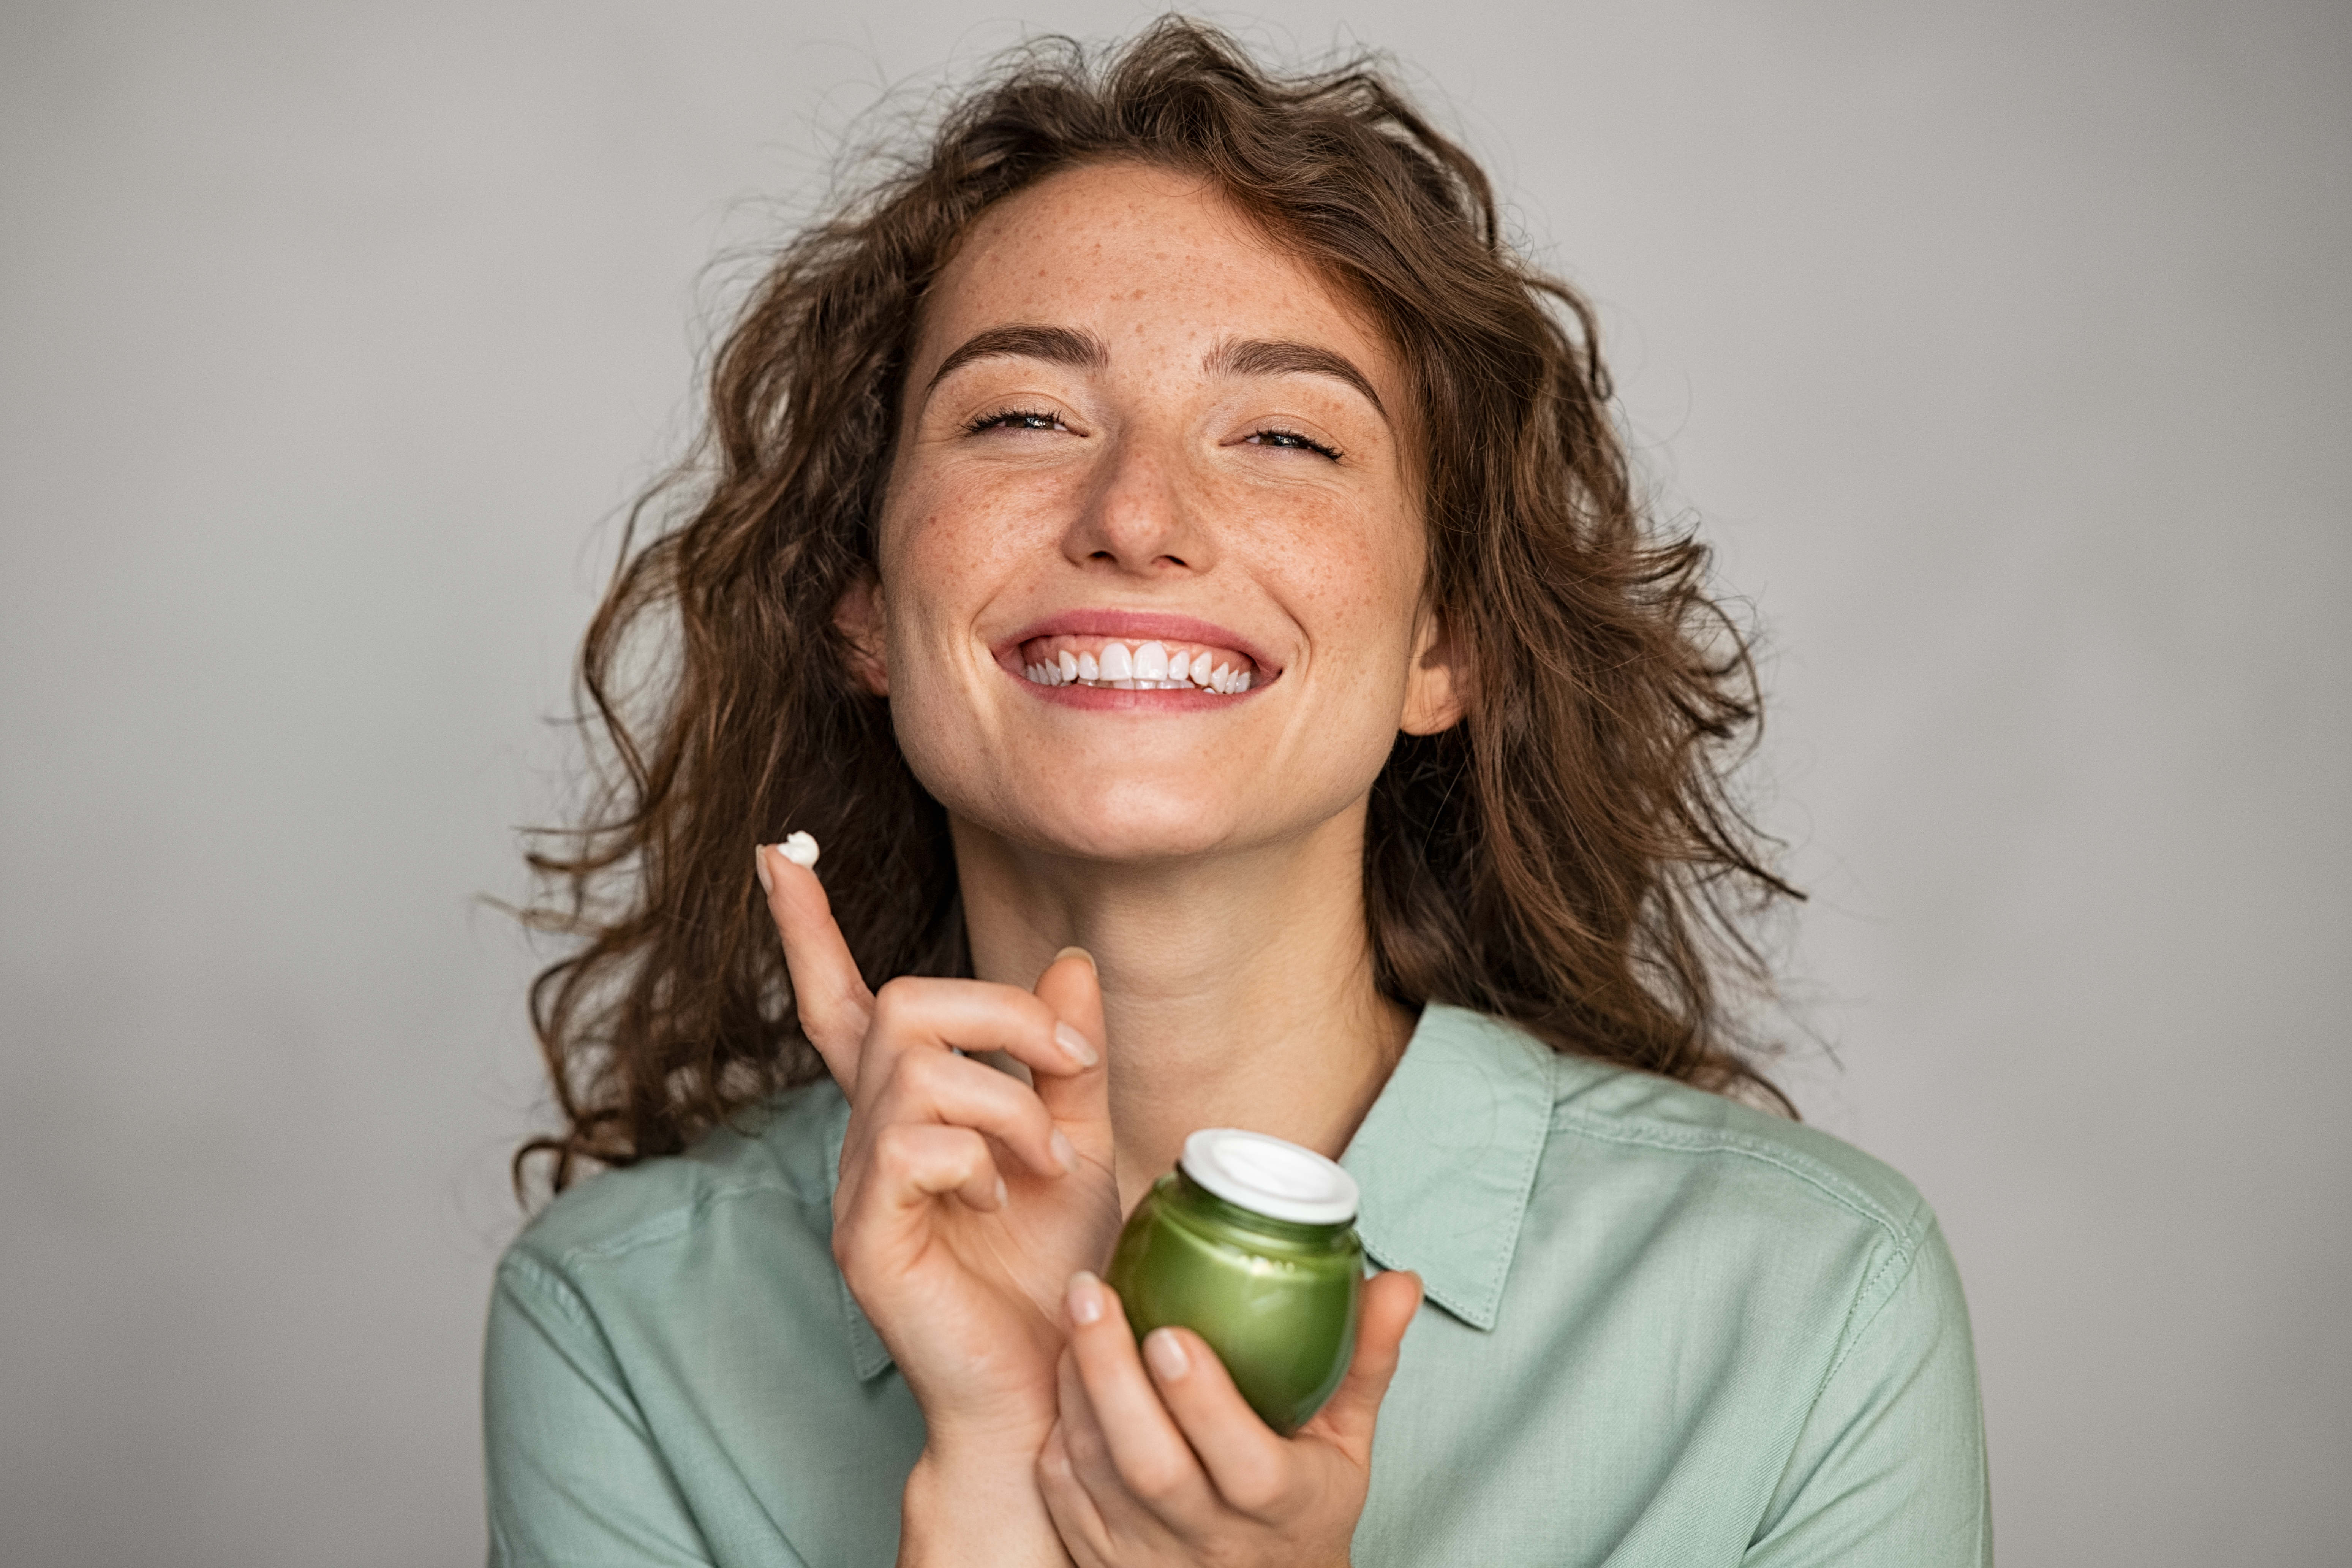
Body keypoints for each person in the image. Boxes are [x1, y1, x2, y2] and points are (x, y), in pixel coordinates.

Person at [483, 20, 1991, 1567]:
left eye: (1283, 435)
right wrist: (998, 1465)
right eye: (1023, 418)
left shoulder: (1815, 1306)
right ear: (858, 599)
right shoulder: (619, 1322)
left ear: (1445, 643)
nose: (1137, 516)